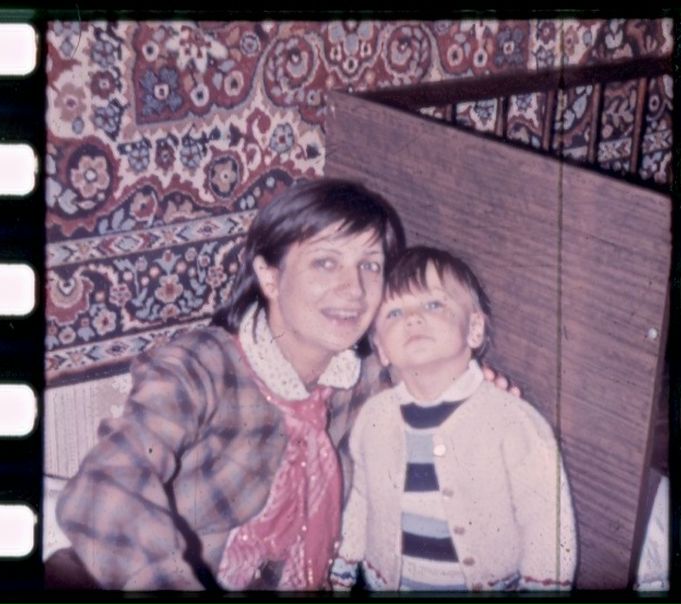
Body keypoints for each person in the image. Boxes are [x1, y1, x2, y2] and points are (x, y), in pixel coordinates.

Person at [54, 179, 404, 590]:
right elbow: (106, 489)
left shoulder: (365, 381)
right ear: (269, 277)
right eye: (326, 262)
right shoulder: (198, 366)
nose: (354, 288)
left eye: (370, 265)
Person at [329, 246, 577, 592]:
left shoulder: (513, 421)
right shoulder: (374, 417)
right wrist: (342, 566)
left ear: (474, 328)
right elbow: (361, 498)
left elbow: (547, 521)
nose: (412, 318)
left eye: (433, 305)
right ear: (382, 349)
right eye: (394, 312)